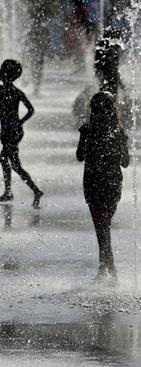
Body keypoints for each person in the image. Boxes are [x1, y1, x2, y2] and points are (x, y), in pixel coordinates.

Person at [77, 91, 129, 283]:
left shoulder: (86, 130)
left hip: (92, 182)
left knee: (101, 227)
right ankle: (105, 268)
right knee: (103, 226)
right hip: (112, 182)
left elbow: (79, 156)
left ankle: (109, 268)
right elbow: (125, 162)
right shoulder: (118, 132)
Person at [0, 59, 43, 208]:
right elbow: (31, 110)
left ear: (6, 74)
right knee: (8, 161)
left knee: (12, 163)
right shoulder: (16, 92)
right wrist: (20, 122)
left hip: (10, 131)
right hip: (12, 130)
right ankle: (10, 191)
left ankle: (33, 191)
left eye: (1, 68)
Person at [94, 27, 123, 96]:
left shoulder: (103, 47)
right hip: (108, 76)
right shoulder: (109, 51)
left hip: (106, 76)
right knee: (109, 89)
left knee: (105, 88)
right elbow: (113, 68)